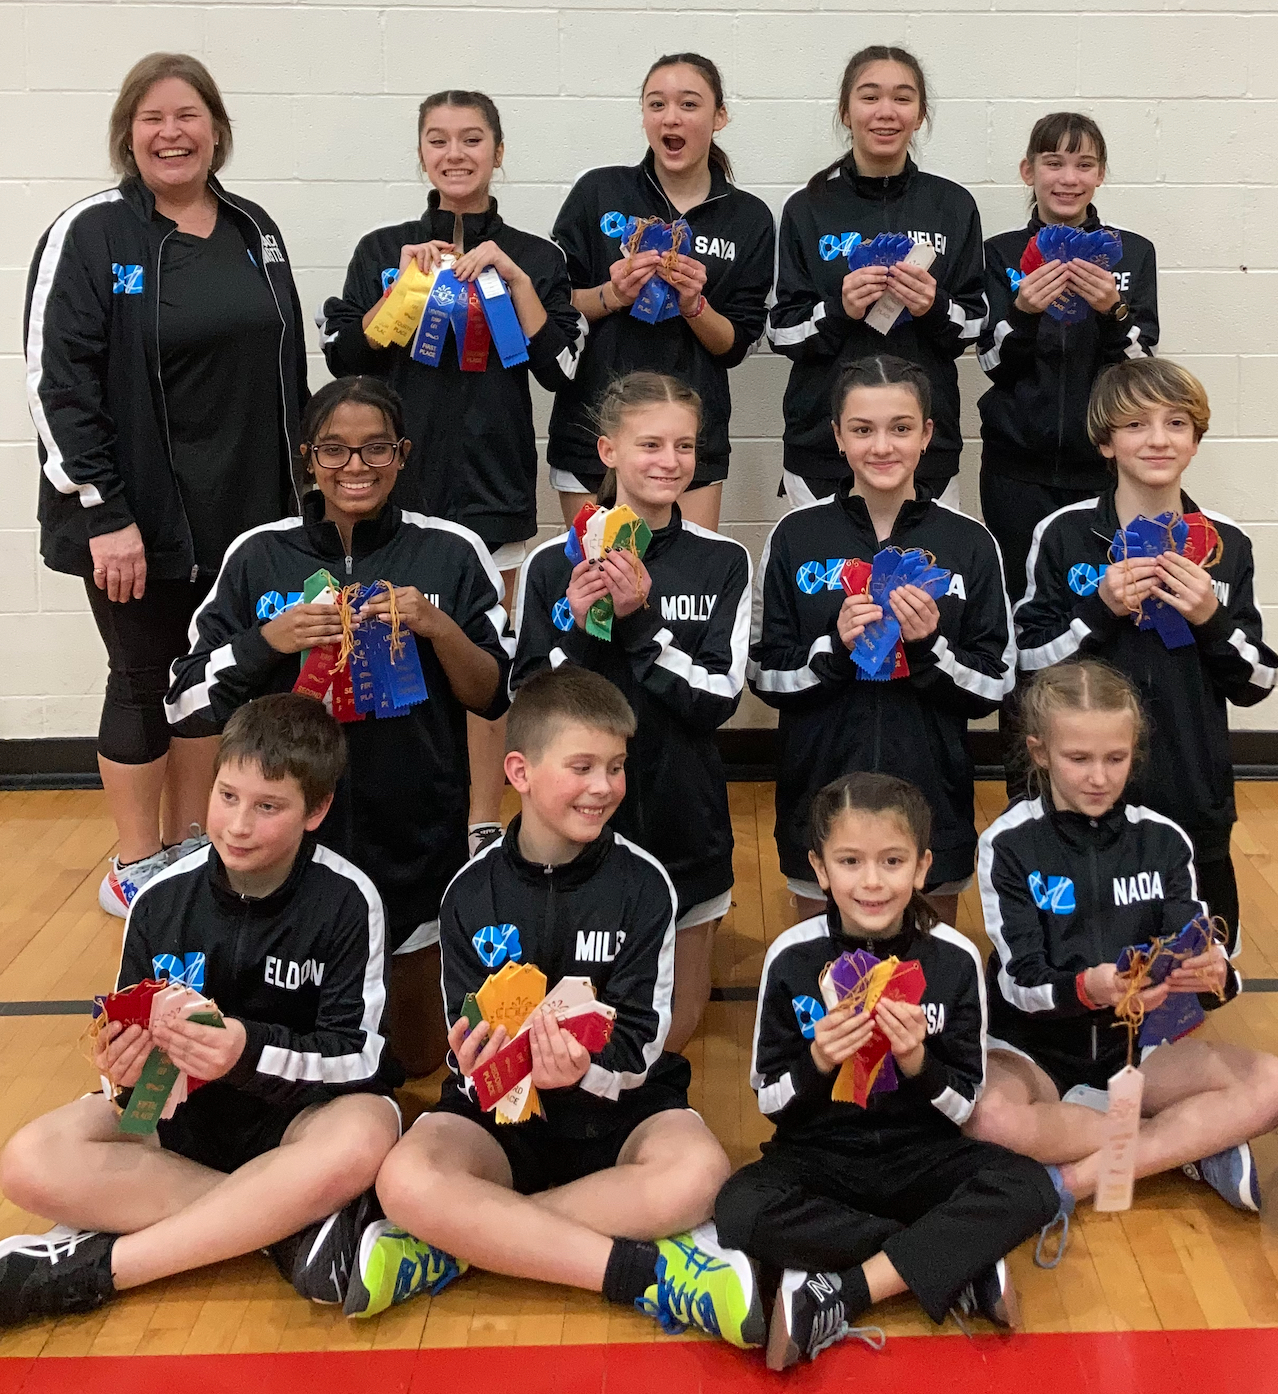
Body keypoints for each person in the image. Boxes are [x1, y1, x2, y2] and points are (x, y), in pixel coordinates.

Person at [357, 669, 763, 1346]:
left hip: (620, 1115)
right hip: (501, 1124)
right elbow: (466, 1050)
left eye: (616, 767)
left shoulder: (645, 886)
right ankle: (639, 1270)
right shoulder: (468, 892)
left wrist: (582, 1072)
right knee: (404, 1178)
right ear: (519, 771)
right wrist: (486, 1067)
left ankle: (462, 1243)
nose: (603, 786)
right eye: (582, 767)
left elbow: (642, 1046)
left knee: (700, 1173)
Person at [0, 695, 402, 1326]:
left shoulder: (348, 899)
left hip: (295, 1125)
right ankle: (286, 1229)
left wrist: (245, 1050)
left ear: (316, 811)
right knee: (28, 1159)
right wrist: (121, 1071)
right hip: (183, 1132)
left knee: (368, 1131)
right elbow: (129, 1071)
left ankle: (98, 1269)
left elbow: (360, 1058)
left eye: (267, 807)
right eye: (227, 796)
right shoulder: (159, 899)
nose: (237, 825)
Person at [24, 52, 308, 918]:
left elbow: (286, 370)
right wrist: (104, 511)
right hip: (134, 520)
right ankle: (135, 863)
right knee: (143, 678)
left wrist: (302, 503)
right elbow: (56, 382)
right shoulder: (92, 232)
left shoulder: (255, 227)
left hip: (247, 510)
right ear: (128, 133)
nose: (171, 132)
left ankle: (192, 848)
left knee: (214, 682)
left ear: (216, 130)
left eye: (188, 116)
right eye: (153, 118)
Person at [164, 377, 511, 1079]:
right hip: (287, 851)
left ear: (402, 454)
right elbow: (185, 700)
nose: (356, 467)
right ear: (308, 457)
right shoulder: (258, 555)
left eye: (376, 448)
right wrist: (268, 640)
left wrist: (438, 627)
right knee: (303, 1052)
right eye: (335, 449)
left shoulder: (451, 551)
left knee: (417, 1059)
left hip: (415, 839)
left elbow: (494, 691)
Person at [714, 772, 1062, 1369]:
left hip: (922, 1153)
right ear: (820, 869)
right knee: (738, 1206)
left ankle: (844, 1289)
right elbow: (769, 1100)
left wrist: (918, 1063)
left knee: (1031, 1187)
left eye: (892, 861)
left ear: (922, 868)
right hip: (820, 1155)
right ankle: (955, 1258)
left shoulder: (953, 959)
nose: (871, 882)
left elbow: (965, 1102)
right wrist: (818, 1061)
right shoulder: (790, 958)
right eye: (850, 861)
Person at [318, 89, 583, 858]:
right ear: (421, 154)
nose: (455, 153)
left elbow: (563, 370)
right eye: (438, 139)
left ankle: (481, 819)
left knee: (483, 660)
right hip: (392, 491)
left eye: (472, 139)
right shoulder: (383, 249)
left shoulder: (536, 255)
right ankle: (393, 808)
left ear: (498, 152)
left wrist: (518, 283)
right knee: (383, 645)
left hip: (494, 488)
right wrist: (401, 294)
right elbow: (345, 361)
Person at [967, 662, 1278, 1217]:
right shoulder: (1007, 844)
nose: (1099, 777)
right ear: (1040, 752)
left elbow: (1194, 953)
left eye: (1115, 759)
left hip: (1141, 1054)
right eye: (1079, 759)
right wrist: (1089, 987)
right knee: (985, 1117)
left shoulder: (1165, 841)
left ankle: (1072, 1178)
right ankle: (1187, 1144)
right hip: (1035, 1053)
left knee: (1275, 1083)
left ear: (1134, 753)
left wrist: (1216, 975)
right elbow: (1020, 982)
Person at [512, 373, 750, 1050]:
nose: (669, 461)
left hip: (685, 823)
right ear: (608, 450)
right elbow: (528, 701)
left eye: (684, 446)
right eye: (650, 444)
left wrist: (641, 623)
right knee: (573, 1026)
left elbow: (718, 699)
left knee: (673, 1033)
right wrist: (580, 627)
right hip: (574, 832)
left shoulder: (722, 560)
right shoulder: (550, 565)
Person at [1012, 358, 1278, 940]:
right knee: (1083, 950)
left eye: (1176, 423)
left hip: (1194, 791)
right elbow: (1026, 663)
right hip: (1085, 792)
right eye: (1136, 424)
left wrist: (1210, 620)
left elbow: (1257, 681)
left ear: (1195, 441)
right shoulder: (1063, 534)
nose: (1158, 439)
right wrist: (1098, 612)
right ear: (1106, 443)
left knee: (1203, 959)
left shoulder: (1228, 543)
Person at [749, 356, 1012, 928]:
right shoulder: (796, 536)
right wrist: (834, 650)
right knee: (820, 967)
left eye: (901, 427)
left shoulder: (969, 542)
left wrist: (928, 649)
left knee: (929, 965)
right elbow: (764, 673)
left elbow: (995, 683)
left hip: (932, 798)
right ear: (838, 437)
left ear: (927, 435)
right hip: (819, 793)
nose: (882, 446)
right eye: (863, 429)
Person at [548, 52, 774, 533]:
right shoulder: (599, 192)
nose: (671, 117)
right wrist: (612, 294)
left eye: (689, 104)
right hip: (594, 431)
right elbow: (554, 307)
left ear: (719, 117)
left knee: (684, 576)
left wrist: (695, 305)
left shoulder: (748, 217)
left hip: (690, 443)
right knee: (596, 576)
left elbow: (736, 344)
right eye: (657, 104)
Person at [766, 46, 985, 509]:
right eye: (870, 97)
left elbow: (974, 327)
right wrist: (839, 310)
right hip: (823, 449)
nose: (886, 112)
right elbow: (782, 332)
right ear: (846, 111)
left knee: (924, 560)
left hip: (925, 451)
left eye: (902, 98)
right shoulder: (807, 208)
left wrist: (933, 307)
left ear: (920, 115)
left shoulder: (953, 206)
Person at [977, 112, 1159, 597]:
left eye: (1084, 165)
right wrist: (1022, 313)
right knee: (1020, 594)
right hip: (1015, 470)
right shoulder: (1000, 254)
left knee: (1104, 596)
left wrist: (1113, 310)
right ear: (1028, 171)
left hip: (1104, 467)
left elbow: (1141, 370)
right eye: (1053, 163)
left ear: (1100, 175)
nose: (1068, 178)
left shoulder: (1132, 254)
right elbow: (992, 364)